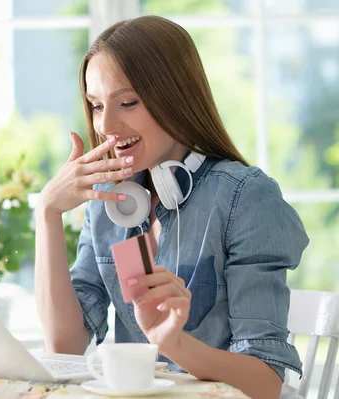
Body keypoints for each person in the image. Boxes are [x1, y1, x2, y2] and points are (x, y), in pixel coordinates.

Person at [34, 15, 308, 399]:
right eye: (96, 106)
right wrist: (47, 213)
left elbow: (265, 382)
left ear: (175, 96)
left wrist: (175, 344)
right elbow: (64, 345)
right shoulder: (109, 201)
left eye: (127, 102)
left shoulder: (245, 197)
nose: (107, 125)